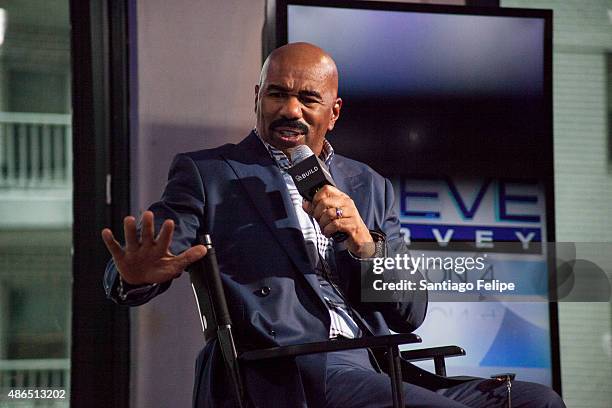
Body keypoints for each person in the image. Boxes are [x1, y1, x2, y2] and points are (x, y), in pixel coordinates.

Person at [102, 42, 565, 408]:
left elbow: (410, 312)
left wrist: (365, 245)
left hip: (377, 362)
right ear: (257, 98)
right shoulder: (210, 173)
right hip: (288, 368)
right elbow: (156, 247)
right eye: (278, 94)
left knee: (536, 400)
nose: (290, 111)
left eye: (307, 98)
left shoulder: (369, 186)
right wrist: (132, 276)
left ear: (333, 112)